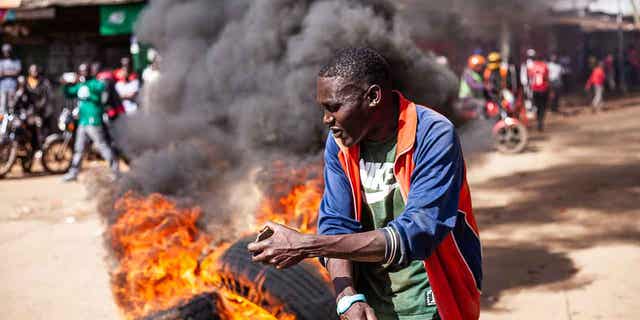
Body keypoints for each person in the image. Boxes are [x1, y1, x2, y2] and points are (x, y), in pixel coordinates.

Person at [248, 48, 482, 320]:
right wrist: (347, 297)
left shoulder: (432, 135)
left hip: (431, 304)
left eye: (334, 107)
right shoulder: (339, 144)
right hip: (372, 307)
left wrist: (305, 245)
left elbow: (417, 234)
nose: (326, 120)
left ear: (372, 97)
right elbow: (337, 223)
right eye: (323, 109)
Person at [61, 63, 119, 182]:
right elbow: (69, 93)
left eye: (86, 71)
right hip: (83, 121)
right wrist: (65, 84)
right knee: (79, 148)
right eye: (82, 71)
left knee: (102, 146)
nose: (84, 73)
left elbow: (99, 96)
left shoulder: (95, 83)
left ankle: (115, 171)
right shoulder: (80, 85)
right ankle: (74, 172)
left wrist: (87, 87)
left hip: (94, 120)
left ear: (90, 72)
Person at [24, 64, 52, 147]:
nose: (34, 72)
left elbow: (47, 97)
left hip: (42, 111)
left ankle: (41, 149)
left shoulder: (44, 82)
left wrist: (40, 106)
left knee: (41, 131)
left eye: (35, 70)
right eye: (32, 70)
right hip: (30, 111)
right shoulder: (26, 82)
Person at [526, 50, 550, 131]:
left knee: (537, 106)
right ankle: (540, 122)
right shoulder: (545, 66)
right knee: (543, 107)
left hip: (535, 90)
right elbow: (547, 78)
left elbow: (529, 78)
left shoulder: (532, 67)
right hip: (544, 90)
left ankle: (539, 121)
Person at [0, 44, 21, 113]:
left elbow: (17, 72)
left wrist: (5, 73)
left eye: (8, 51)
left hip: (12, 86)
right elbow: (0, 73)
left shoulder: (16, 61)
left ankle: (11, 122)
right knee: (2, 106)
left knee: (11, 105)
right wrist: (11, 72)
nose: (6, 53)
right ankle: (2, 122)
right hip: (3, 86)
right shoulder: (1, 61)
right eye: (5, 51)